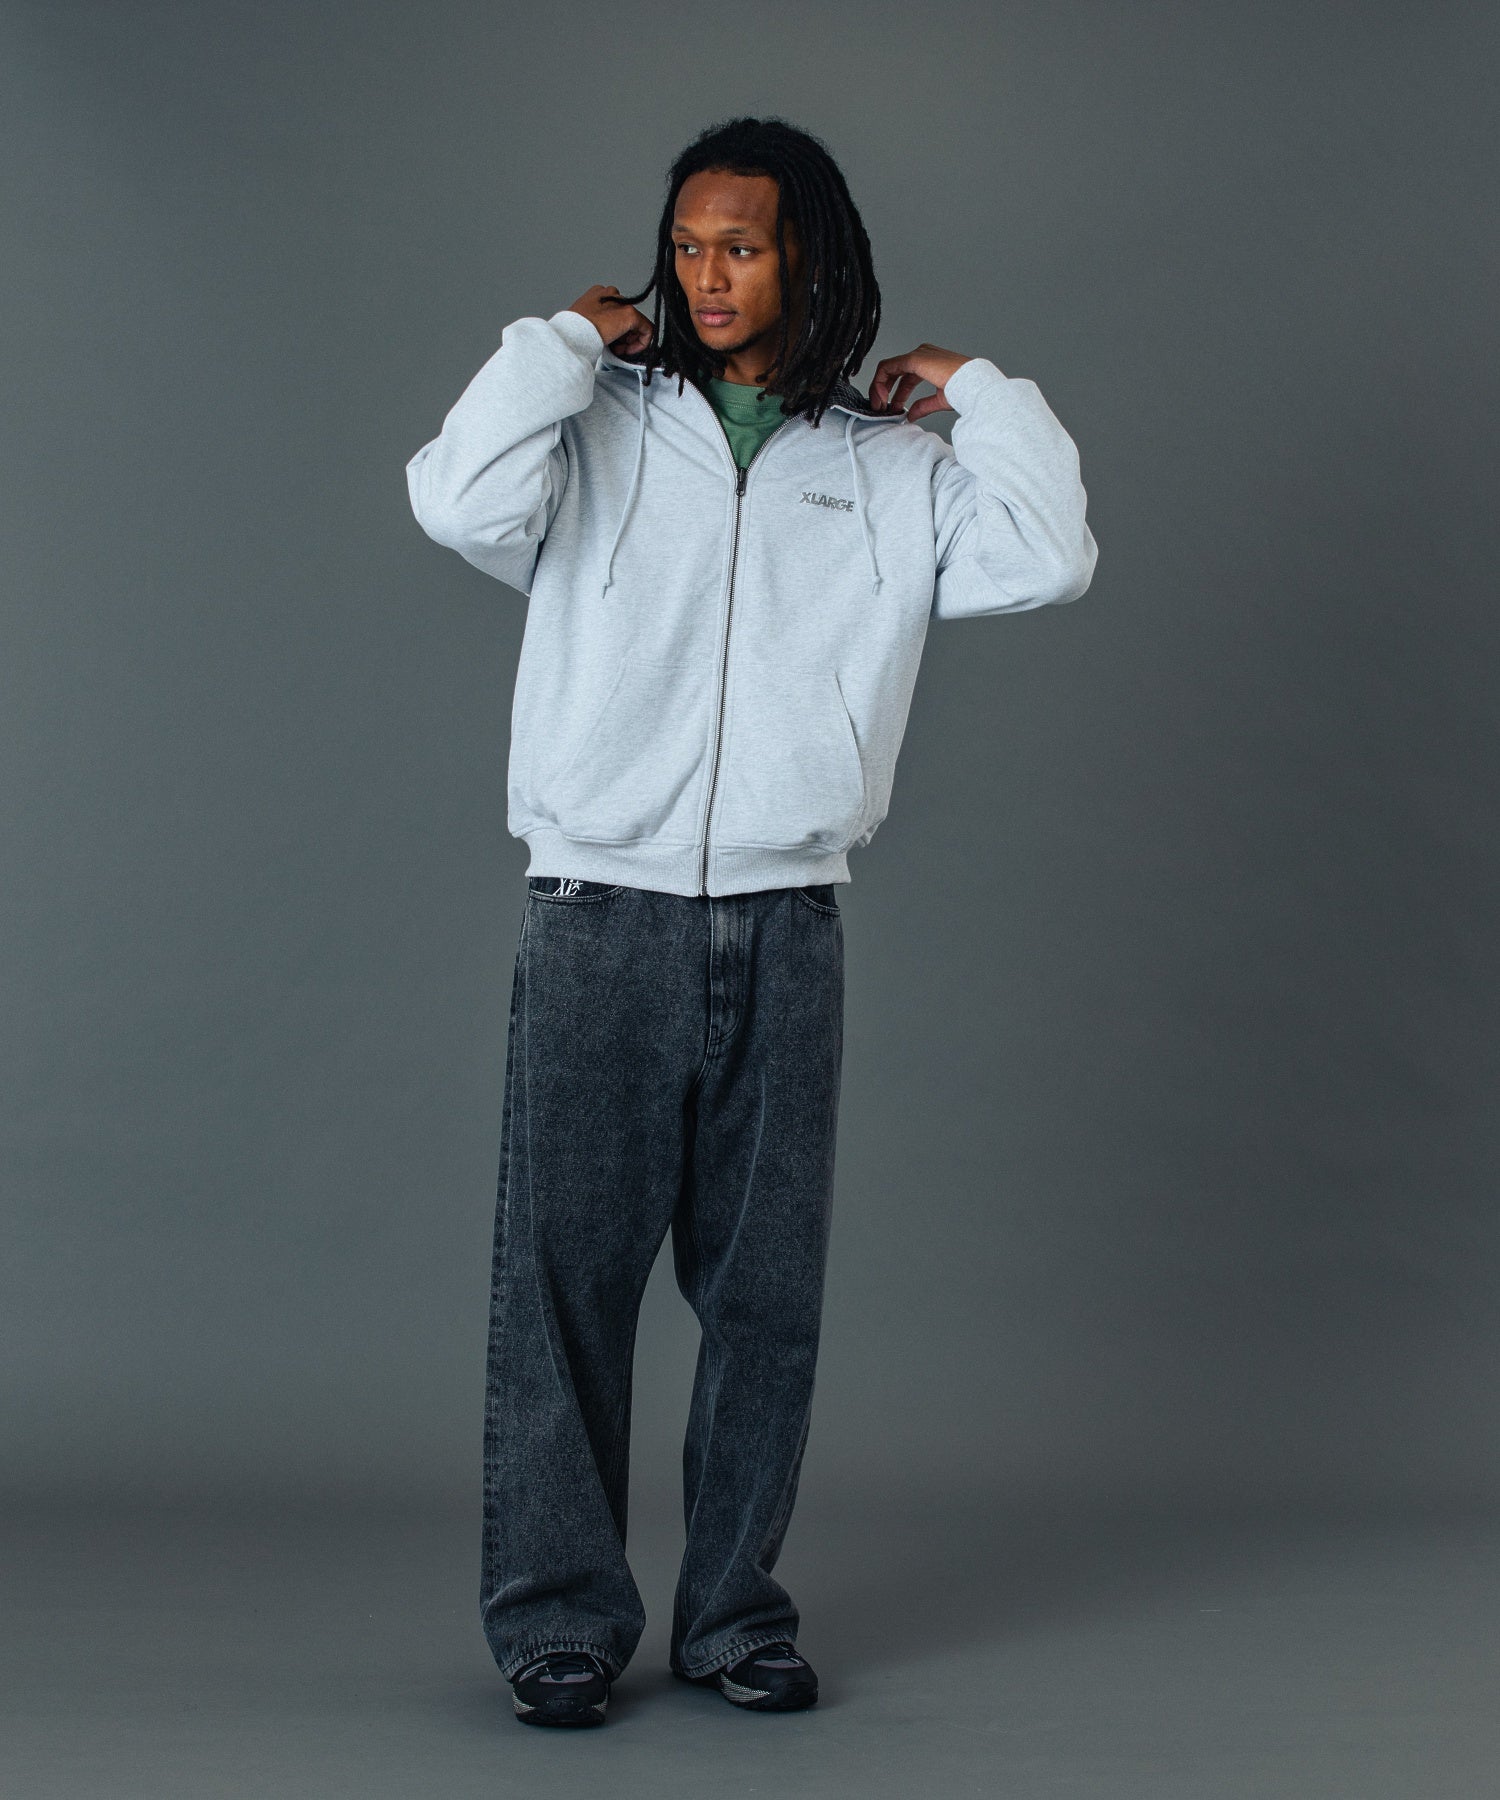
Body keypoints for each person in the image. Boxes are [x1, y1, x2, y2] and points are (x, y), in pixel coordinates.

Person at [404, 114, 1098, 1728]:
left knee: (765, 1302)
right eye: (688, 246)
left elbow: (1053, 557)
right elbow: (452, 498)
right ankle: (560, 1621)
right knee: (562, 1294)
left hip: (787, 918)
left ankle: (732, 1618)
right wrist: (564, 341)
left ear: (808, 259)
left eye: (742, 247)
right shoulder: (594, 428)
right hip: (599, 908)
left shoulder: (886, 465)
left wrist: (980, 390)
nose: (707, 275)